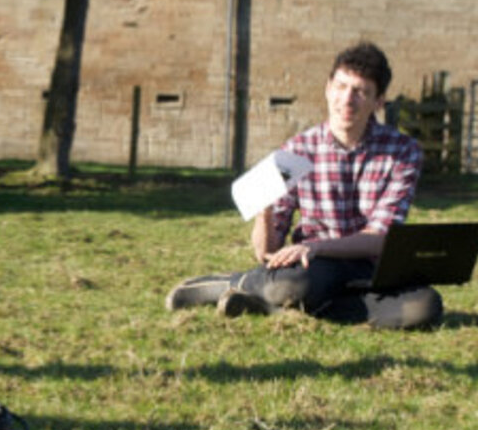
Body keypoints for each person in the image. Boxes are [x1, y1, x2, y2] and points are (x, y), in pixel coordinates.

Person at [164, 41, 442, 329]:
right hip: (313, 269)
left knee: (425, 307)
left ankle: (277, 307)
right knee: (290, 283)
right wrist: (265, 213)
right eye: (341, 86)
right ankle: (231, 284)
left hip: (369, 267)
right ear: (327, 88)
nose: (347, 100)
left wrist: (318, 246)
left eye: (360, 92)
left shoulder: (404, 152)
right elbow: (267, 251)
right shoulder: (294, 152)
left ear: (379, 101)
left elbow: (381, 236)